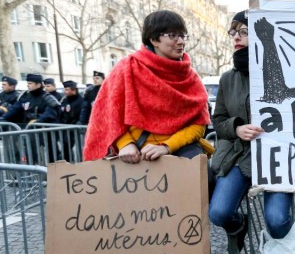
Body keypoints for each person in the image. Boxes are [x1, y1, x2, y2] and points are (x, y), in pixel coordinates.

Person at [209, 10, 295, 251]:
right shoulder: (227, 79)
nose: (236, 37)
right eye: (234, 32)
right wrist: (237, 128)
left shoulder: (287, 72)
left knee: (276, 220)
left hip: (279, 160)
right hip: (239, 157)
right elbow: (218, 120)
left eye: (244, 32)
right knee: (218, 213)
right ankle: (240, 223)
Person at [83, 10, 213, 164]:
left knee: (203, 176)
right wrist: (125, 144)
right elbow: (109, 115)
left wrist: (167, 146)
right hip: (133, 154)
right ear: (154, 39)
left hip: (179, 150)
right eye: (173, 35)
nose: (181, 41)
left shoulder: (191, 77)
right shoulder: (126, 68)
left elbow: (199, 125)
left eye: (183, 35)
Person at [58, 81, 84, 161]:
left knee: (77, 148)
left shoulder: (80, 101)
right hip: (65, 128)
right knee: (66, 147)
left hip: (75, 128)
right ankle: (68, 163)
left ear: (73, 90)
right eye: (64, 89)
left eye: (67, 89)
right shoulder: (64, 100)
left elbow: (81, 114)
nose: (64, 91)